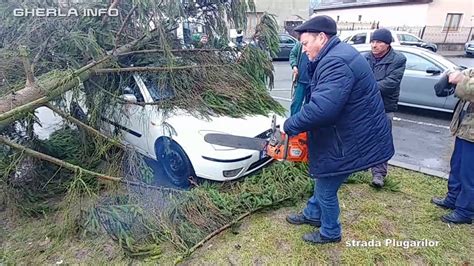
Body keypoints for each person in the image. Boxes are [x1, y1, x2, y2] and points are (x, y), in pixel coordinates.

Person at [284, 15, 394, 244]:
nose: (303, 50)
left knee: (325, 188)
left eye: (305, 44)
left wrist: (291, 125)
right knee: (324, 175)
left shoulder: (335, 62)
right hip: (351, 132)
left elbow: (323, 108)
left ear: (322, 38)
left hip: (352, 140)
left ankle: (330, 232)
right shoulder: (336, 54)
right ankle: (313, 215)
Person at [365, 28, 407, 187]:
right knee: (360, 136)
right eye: (373, 41)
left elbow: (391, 83)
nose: (374, 45)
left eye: (378, 42)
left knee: (381, 139)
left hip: (384, 106)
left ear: (387, 44)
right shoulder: (366, 58)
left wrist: (367, 88)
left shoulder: (398, 59)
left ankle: (379, 173)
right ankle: (358, 166)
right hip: (366, 105)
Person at [431, 68, 474, 224]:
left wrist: (461, 79)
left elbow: (468, 86)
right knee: (457, 166)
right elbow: (464, 74)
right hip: (465, 129)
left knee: (470, 174)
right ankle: (452, 199)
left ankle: (465, 211)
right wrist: (457, 74)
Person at [289, 40, 310, 115]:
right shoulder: (300, 44)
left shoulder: (317, 43)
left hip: (312, 82)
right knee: (296, 103)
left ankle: (307, 123)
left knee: (309, 105)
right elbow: (292, 54)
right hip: (300, 80)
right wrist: (294, 66)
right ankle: (293, 122)